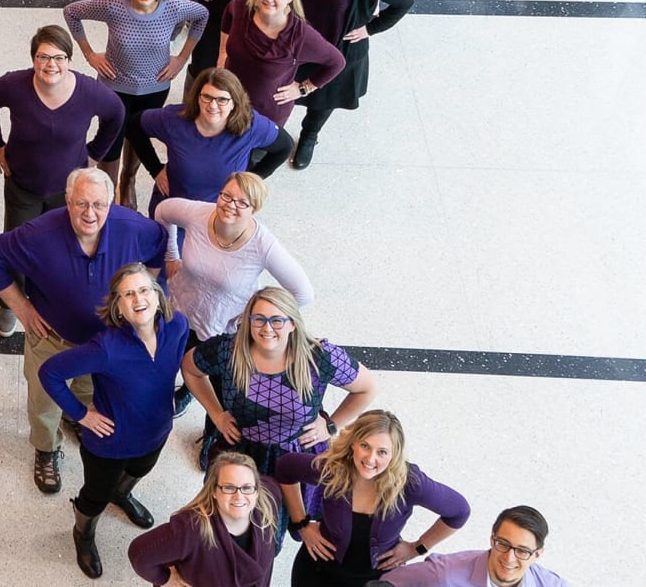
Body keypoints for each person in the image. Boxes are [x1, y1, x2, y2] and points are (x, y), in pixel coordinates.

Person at [0, 168, 166, 494]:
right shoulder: (39, 235)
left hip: (104, 341)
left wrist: (143, 293)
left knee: (89, 389)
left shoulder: (134, 228)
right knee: (43, 398)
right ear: (67, 201)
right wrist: (21, 308)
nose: (89, 214)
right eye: (80, 203)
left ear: (111, 203)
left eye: (98, 205)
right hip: (53, 338)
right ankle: (46, 447)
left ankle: (77, 416)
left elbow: (160, 248)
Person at [39, 264, 191, 579]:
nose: (138, 299)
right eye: (128, 294)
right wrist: (82, 414)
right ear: (118, 307)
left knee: (140, 470)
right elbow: (50, 373)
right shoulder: (106, 348)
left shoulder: (178, 326)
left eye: (145, 290)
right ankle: (83, 532)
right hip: (110, 443)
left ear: (158, 296)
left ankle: (122, 495)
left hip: (157, 430)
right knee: (94, 496)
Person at [0, 25, 125, 338]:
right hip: (22, 183)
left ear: (70, 59)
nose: (51, 65)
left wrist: (94, 154)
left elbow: (116, 114)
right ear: (33, 59)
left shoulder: (88, 91)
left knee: (64, 244)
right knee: (16, 245)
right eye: (43, 57)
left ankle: (52, 296)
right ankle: (8, 304)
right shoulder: (15, 85)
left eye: (59, 57)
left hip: (68, 191)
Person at [63, 0, 208, 209]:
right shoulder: (113, 5)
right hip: (114, 86)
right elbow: (72, 12)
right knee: (112, 138)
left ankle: (127, 181)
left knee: (139, 136)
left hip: (155, 87)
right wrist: (89, 53)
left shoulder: (174, 6)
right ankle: (107, 193)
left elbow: (202, 16)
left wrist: (182, 58)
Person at [183, 287, 376, 475]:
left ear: (292, 323)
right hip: (239, 455)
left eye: (276, 321)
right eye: (259, 319)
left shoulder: (319, 357)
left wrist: (332, 425)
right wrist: (217, 415)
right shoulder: (228, 351)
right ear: (249, 322)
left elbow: (367, 388)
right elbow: (190, 369)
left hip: (298, 457)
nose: (267, 328)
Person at [276, 410, 471, 587]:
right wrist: (301, 523)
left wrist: (418, 547)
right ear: (353, 443)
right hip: (318, 573)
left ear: (394, 455)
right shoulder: (332, 469)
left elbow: (459, 512)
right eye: (365, 446)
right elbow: (285, 468)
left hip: (379, 580)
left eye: (382, 452)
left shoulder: (410, 483)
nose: (370, 459)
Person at [287, 0, 414, 169]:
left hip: (338, 48)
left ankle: (309, 135)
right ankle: (269, 134)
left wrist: (371, 29)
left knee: (323, 99)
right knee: (281, 92)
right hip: (303, 42)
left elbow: (404, 1)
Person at [155, 172, 313, 347]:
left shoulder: (263, 245)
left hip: (222, 328)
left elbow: (303, 293)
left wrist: (260, 314)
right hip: (181, 309)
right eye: (227, 196)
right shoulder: (197, 214)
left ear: (254, 209)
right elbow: (162, 211)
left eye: (242, 202)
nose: (230, 205)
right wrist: (170, 256)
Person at [219, 0, 345, 173]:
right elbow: (227, 15)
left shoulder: (301, 35)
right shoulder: (242, 5)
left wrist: (304, 88)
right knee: (223, 149)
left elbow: (336, 62)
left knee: (246, 163)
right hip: (229, 98)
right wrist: (222, 53)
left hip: (264, 113)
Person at [126, 452, 282, 587]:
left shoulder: (268, 500)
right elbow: (139, 554)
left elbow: (287, 470)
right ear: (214, 491)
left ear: (257, 491)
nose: (239, 496)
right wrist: (165, 579)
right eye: (228, 487)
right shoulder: (190, 529)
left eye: (247, 487)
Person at [139, 69, 281, 214]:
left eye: (222, 100)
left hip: (220, 213)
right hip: (173, 211)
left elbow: (284, 148)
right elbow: (134, 126)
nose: (213, 106)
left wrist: (251, 180)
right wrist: (155, 168)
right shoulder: (173, 119)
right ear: (197, 98)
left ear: (234, 103)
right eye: (206, 97)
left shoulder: (250, 125)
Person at [378, 506, 572, 587]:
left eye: (522, 551)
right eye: (503, 544)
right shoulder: (445, 574)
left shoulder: (552, 584)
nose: (509, 558)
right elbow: (386, 583)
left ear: (537, 555)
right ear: (492, 539)